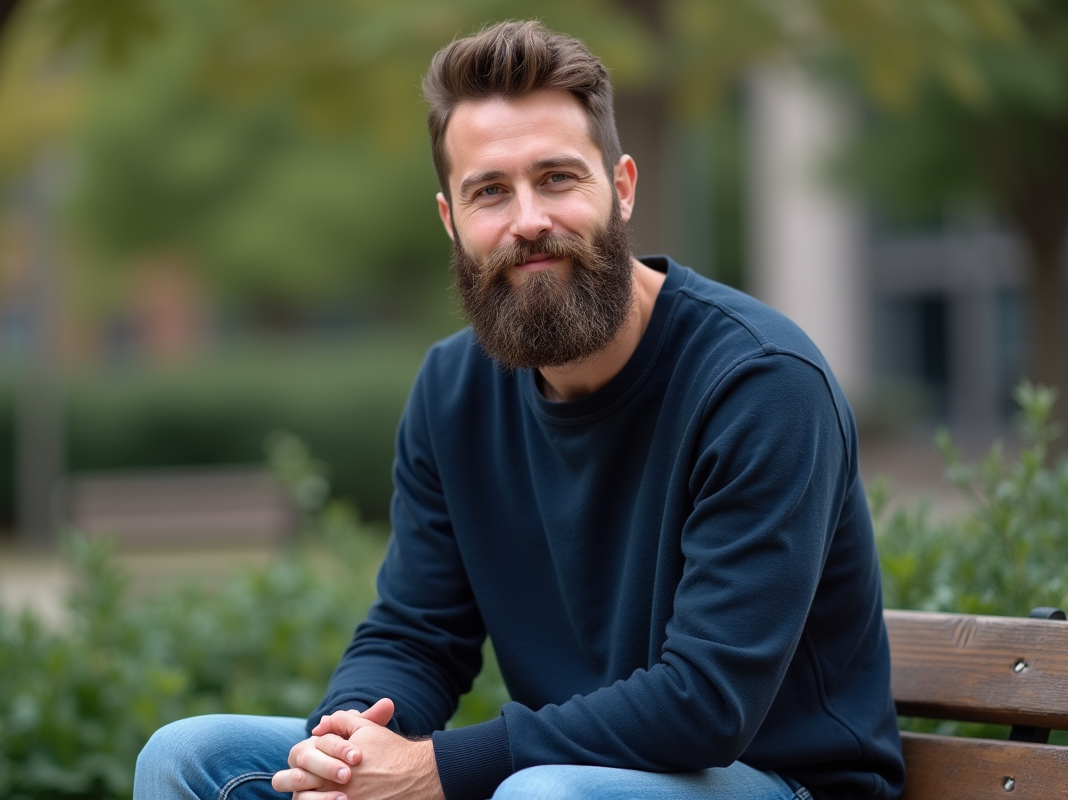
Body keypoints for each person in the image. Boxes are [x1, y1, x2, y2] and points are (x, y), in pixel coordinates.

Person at [134, 20, 904, 800]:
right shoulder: (452, 390)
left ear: (622, 187)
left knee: (539, 797)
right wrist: (349, 741)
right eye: (491, 191)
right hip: (561, 776)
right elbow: (416, 632)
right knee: (186, 756)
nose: (527, 220)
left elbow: (707, 702)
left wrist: (438, 770)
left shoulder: (759, 383)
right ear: (452, 221)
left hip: (777, 780)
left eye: (558, 179)